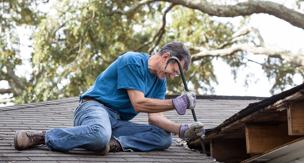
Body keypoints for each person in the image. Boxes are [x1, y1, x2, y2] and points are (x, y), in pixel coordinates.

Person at [14, 41, 205, 155]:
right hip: (94, 109)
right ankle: (43, 137)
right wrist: (176, 103)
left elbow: (156, 118)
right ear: (166, 57)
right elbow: (138, 104)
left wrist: (183, 130)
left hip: (116, 122)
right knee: (99, 133)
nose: (172, 77)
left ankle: (113, 144)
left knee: (164, 138)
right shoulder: (132, 61)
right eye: (173, 71)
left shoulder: (159, 82)